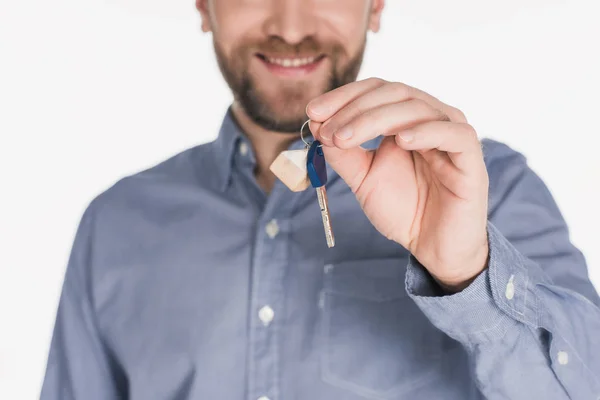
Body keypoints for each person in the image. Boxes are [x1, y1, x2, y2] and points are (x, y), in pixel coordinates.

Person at [40, 1, 600, 399]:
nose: (290, 24)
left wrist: (467, 275)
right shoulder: (115, 226)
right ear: (203, 5)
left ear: (375, 5)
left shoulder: (485, 189)